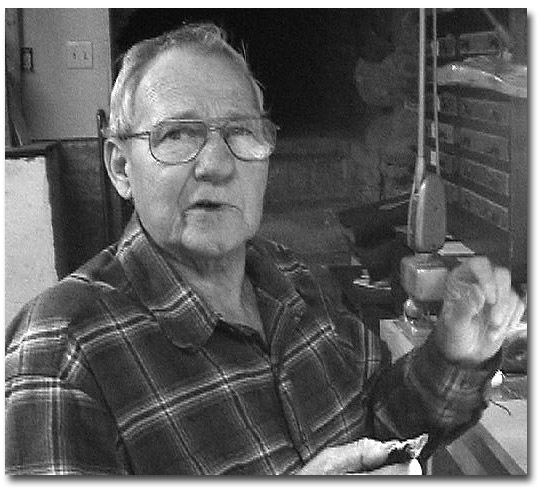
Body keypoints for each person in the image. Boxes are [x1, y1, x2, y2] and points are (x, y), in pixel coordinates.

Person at [5, 23, 524, 476]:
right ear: (121, 167)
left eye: (240, 133)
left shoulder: (298, 281)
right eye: (178, 134)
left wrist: (455, 354)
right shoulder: (61, 352)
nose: (216, 164)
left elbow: (380, 428)